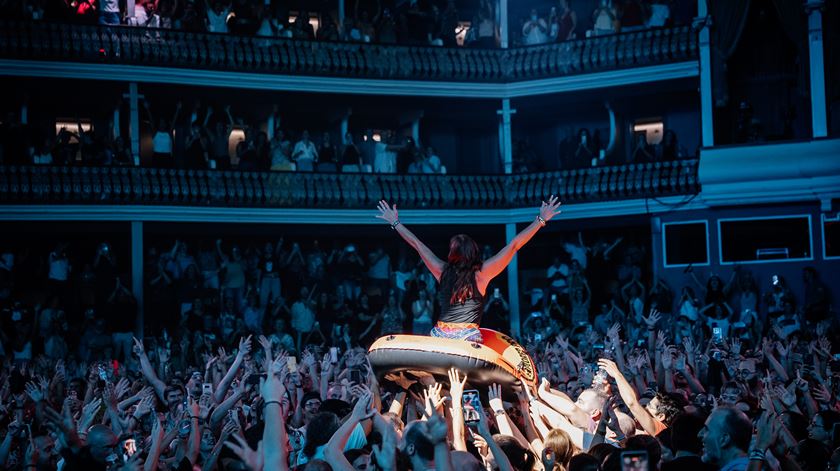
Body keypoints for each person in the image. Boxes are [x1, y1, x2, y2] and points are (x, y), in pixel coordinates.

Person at [375, 196, 562, 340]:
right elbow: (513, 245)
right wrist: (541, 220)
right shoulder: (482, 274)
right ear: (473, 252)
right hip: (467, 338)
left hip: (440, 335)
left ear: (452, 253)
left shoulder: (442, 270)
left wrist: (395, 222)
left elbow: (417, 244)